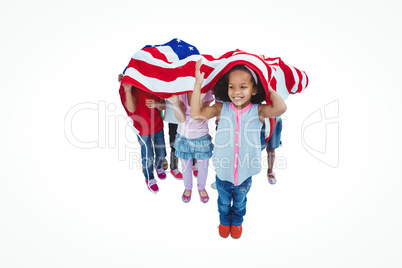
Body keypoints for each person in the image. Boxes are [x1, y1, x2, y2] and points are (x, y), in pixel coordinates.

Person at [190, 59, 286, 238]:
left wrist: (270, 88)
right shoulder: (220, 108)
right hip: (223, 173)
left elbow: (281, 107)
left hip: (244, 175)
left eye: (243, 87)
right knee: (223, 202)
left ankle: (237, 222)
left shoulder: (259, 111)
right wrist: (197, 85)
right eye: (232, 87)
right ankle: (224, 221)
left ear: (254, 90)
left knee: (240, 203)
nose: (237, 92)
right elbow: (196, 115)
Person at [119, 74, 167, 194]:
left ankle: (159, 166)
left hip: (157, 126)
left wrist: (156, 104)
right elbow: (131, 109)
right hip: (142, 129)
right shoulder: (134, 87)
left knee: (161, 152)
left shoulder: (156, 84)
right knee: (148, 155)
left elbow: (163, 106)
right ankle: (149, 178)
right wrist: (128, 89)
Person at [167, 90, 214, 203]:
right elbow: (181, 119)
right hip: (184, 137)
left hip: (201, 137)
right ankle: (188, 188)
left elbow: (199, 117)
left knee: (203, 167)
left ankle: (201, 187)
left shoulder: (206, 91)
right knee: (185, 166)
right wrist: (175, 103)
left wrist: (199, 97)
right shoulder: (182, 92)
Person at [265, 116, 282, 184]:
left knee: (271, 149)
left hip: (275, 121)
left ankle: (270, 171)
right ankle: (247, 173)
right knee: (253, 149)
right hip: (259, 121)